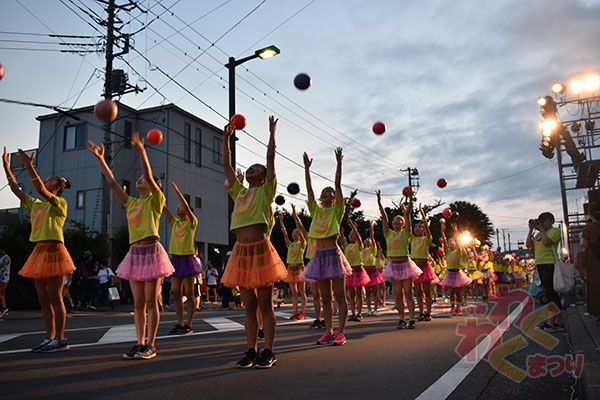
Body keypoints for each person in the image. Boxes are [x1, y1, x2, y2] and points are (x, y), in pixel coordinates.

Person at [87, 133, 174, 360]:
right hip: (135, 253)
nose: (139, 180)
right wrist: (100, 159)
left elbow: (149, 176)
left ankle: (151, 345)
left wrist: (142, 151)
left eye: (144, 179)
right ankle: (139, 342)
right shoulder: (131, 202)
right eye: (138, 179)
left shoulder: (156, 199)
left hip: (152, 252)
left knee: (151, 300)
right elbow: (112, 182)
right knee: (137, 303)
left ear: (154, 184)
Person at [220, 116, 287, 369]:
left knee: (264, 304)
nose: (252, 170)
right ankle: (251, 349)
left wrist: (271, 133)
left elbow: (270, 159)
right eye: (249, 168)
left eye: (257, 169)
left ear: (263, 176)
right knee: (248, 306)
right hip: (241, 252)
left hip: (260, 250)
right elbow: (226, 164)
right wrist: (226, 137)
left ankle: (269, 350)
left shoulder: (266, 190)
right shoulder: (239, 191)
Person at [3, 147, 75, 352]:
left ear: (58, 187)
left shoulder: (59, 203)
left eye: (50, 180)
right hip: (39, 252)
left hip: (54, 251)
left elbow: (41, 190)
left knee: (55, 297)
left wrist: (29, 166)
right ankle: (49, 337)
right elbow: (16, 190)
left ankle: (60, 339)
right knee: (44, 300)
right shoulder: (35, 205)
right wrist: (8, 169)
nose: (46, 181)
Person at [299, 147, 351, 345]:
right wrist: (306, 169)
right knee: (325, 298)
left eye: (330, 192)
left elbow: (338, 186)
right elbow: (310, 190)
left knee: (339, 296)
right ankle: (328, 331)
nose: (327, 193)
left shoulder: (337, 210)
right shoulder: (316, 210)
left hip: (334, 255)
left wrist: (339, 164)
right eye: (325, 192)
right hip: (319, 256)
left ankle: (341, 332)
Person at [377, 191, 421, 329]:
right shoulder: (388, 233)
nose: (396, 221)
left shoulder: (406, 233)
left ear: (403, 224)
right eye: (395, 220)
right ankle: (402, 318)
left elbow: (407, 215)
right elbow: (384, 217)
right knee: (397, 294)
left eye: (399, 220)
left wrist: (409, 202)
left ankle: (412, 318)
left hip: (405, 264)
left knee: (408, 292)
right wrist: (379, 202)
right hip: (393, 265)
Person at [163, 179, 202, 335]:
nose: (177, 208)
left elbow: (185, 206)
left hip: (187, 259)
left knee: (190, 294)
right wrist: (156, 190)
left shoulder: (192, 222)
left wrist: (177, 191)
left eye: (180, 207)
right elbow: (164, 208)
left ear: (187, 210)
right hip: (176, 259)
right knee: (176, 293)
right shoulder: (175, 222)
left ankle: (189, 324)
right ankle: (180, 323)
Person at [526, 212, 564, 331]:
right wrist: (531, 230)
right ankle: (556, 321)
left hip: (550, 264)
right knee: (550, 293)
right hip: (541, 264)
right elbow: (528, 244)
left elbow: (547, 242)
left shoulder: (555, 231)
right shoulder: (538, 234)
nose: (541, 224)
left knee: (551, 293)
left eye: (543, 222)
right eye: (540, 222)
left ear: (550, 221)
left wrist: (541, 229)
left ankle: (552, 322)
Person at [291, 203, 323, 328]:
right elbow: (300, 225)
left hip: (322, 264)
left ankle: (326, 318)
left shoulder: (323, 237)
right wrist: (294, 213)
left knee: (325, 295)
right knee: (315, 294)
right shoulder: (309, 238)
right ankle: (318, 318)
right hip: (312, 265)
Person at [277, 212, 307, 320]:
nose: (294, 234)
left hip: (299, 269)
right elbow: (284, 233)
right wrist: (281, 221)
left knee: (302, 292)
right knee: (294, 292)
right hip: (290, 269)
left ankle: (302, 312)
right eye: (293, 233)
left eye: (296, 233)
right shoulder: (290, 244)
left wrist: (296, 221)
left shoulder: (303, 244)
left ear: (299, 234)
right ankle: (295, 312)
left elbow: (303, 235)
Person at [410, 204, 436, 321]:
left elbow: (426, 226)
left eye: (420, 227)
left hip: (425, 267)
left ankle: (428, 312)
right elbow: (408, 225)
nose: (417, 229)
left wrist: (422, 212)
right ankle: (421, 312)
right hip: (415, 267)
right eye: (416, 227)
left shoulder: (427, 239)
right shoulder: (412, 238)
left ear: (424, 230)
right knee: (418, 292)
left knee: (427, 291)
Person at [439, 223, 472, 315]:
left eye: (452, 242)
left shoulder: (458, 251)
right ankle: (452, 307)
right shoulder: (447, 251)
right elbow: (444, 241)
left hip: (458, 273)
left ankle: (459, 307)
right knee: (451, 292)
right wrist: (442, 232)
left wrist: (455, 230)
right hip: (449, 274)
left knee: (458, 292)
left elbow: (457, 241)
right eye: (450, 242)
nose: (451, 243)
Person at [577, 202, 600, 317]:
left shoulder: (590, 227)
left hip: (595, 261)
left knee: (596, 287)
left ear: (590, 214)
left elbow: (584, 244)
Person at [363, 222, 385, 316]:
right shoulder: (361, 249)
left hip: (373, 271)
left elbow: (372, 237)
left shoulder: (373, 249)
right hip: (365, 272)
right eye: (366, 239)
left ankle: (375, 309)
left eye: (369, 240)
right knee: (367, 292)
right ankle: (369, 309)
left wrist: (371, 229)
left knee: (375, 292)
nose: (367, 240)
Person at [0, 244, 11, 317]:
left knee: (1, 293)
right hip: (1, 278)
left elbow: (3, 264)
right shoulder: (1, 257)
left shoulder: (6, 257)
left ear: (2, 250)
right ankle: (3, 309)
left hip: (4, 278)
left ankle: (4, 309)